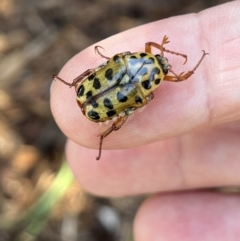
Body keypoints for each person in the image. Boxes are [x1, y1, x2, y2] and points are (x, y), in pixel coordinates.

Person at [51, 1, 240, 240]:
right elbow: (174, 76)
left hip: (93, 99)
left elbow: (150, 55)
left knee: (127, 101)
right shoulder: (140, 86)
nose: (164, 63)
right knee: (130, 105)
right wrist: (180, 58)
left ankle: (88, 110)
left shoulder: (126, 63)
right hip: (96, 102)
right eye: (160, 61)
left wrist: (172, 53)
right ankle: (94, 119)